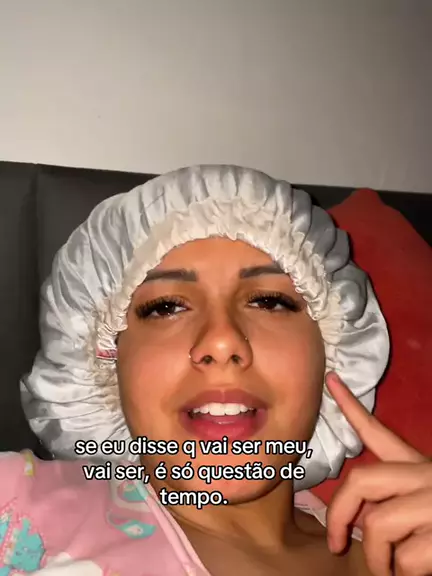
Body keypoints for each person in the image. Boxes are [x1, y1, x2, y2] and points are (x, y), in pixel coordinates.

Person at [0, 165, 428, 575]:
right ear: (109, 362)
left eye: (269, 301)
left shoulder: (408, 556)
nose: (222, 342)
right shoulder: (19, 504)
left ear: (331, 353)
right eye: (166, 307)